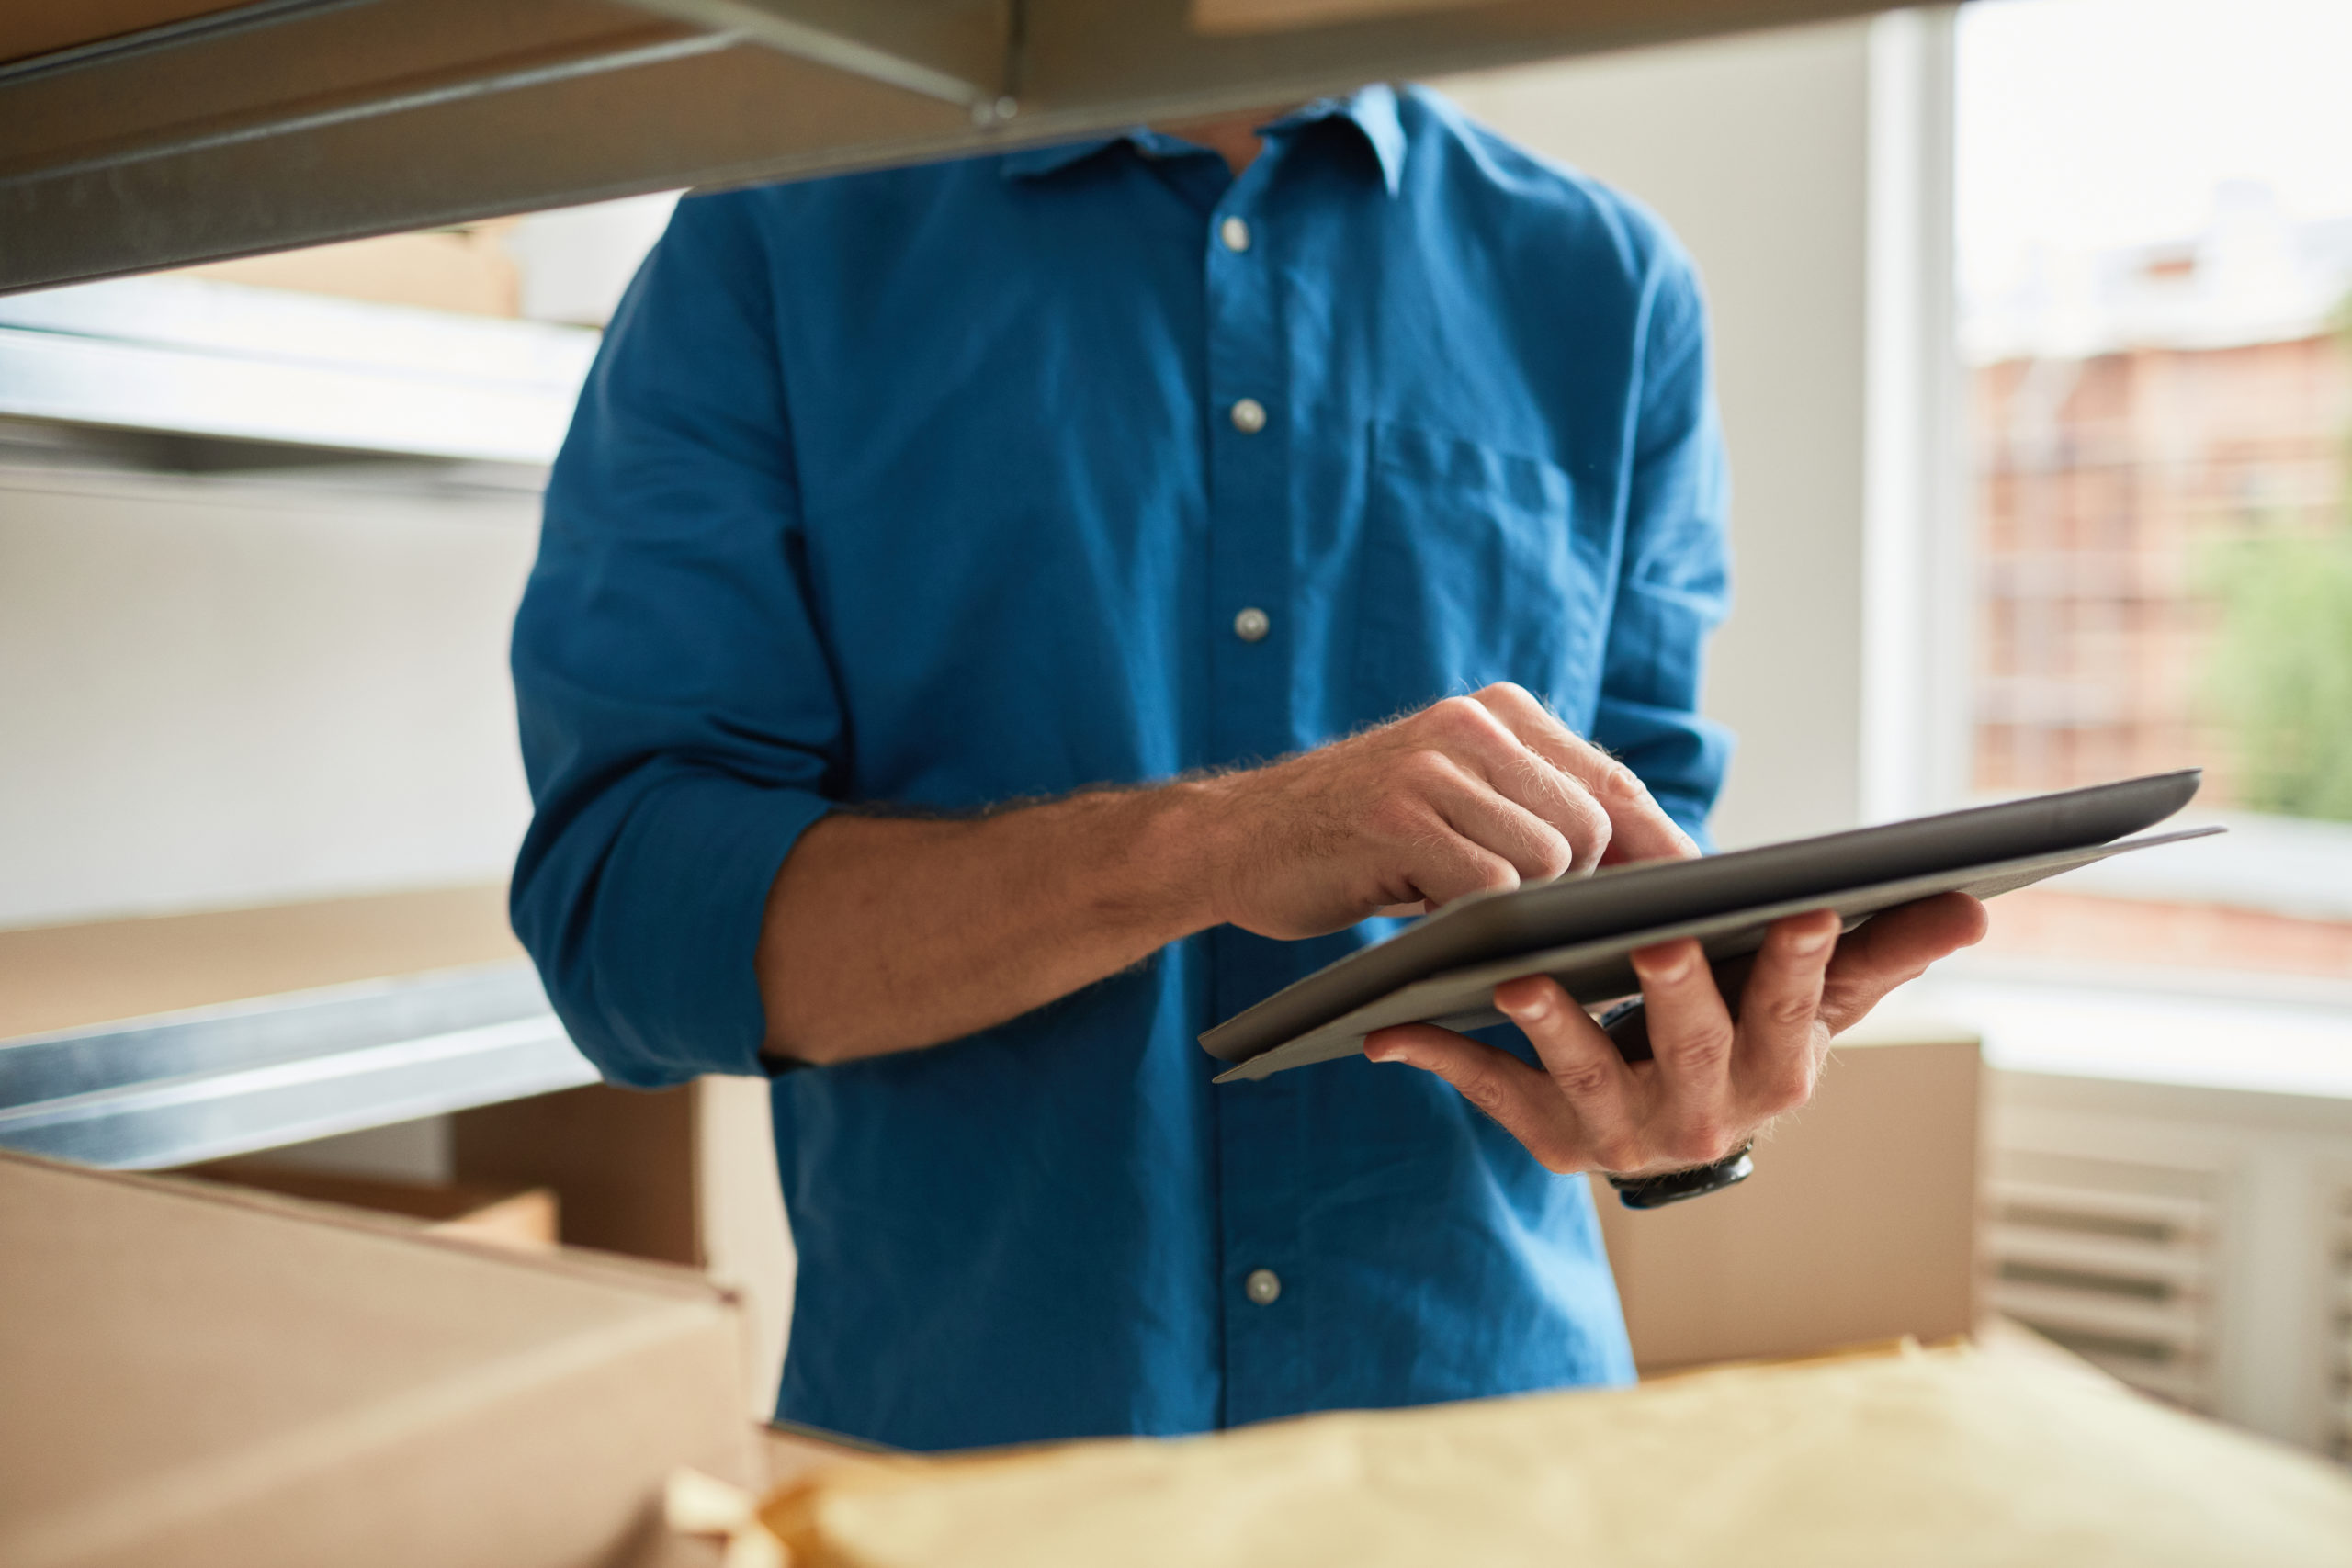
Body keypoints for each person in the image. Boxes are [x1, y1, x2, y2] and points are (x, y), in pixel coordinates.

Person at [510, 84, 1985, 1452]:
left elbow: (1644, 865)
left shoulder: (1611, 286)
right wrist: (1212, 845)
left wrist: (1682, 1095)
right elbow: (630, 928)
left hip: (1489, 1466)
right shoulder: (777, 239)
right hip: (981, 1489)